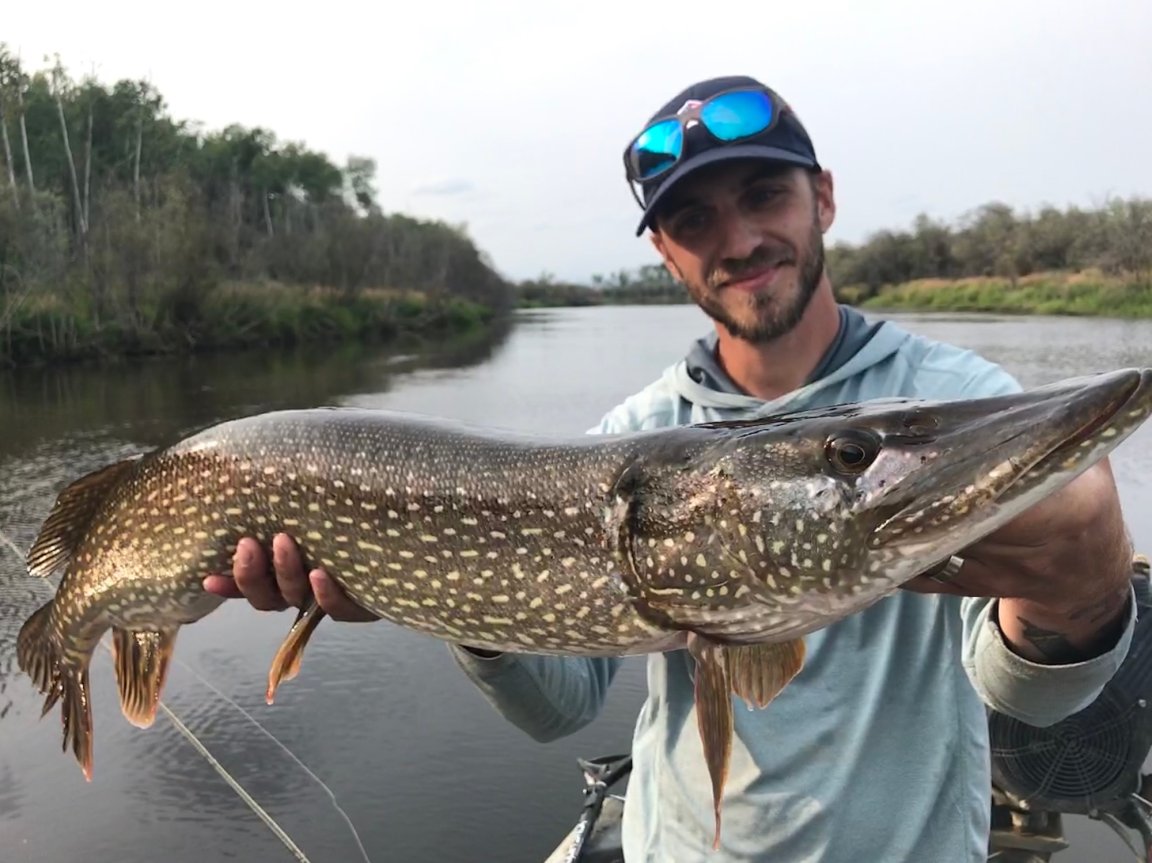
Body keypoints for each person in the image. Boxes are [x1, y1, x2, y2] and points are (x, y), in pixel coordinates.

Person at [203, 75, 1139, 862]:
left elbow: (1022, 696)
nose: (737, 243)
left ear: (823, 197)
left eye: (764, 197)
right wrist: (452, 603)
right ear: (663, 250)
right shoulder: (637, 433)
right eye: (695, 219)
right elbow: (562, 706)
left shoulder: (953, 391)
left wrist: (1084, 600)